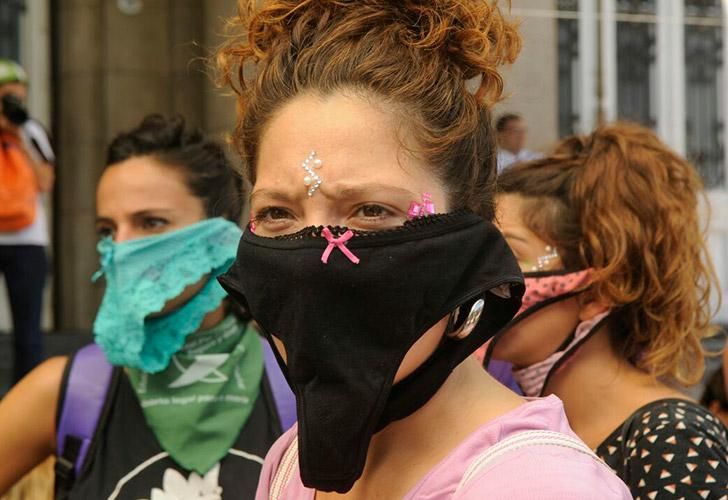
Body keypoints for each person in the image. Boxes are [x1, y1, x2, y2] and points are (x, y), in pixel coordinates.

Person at [217, 1, 631, 498]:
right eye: (278, 214)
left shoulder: (539, 486)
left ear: (467, 239)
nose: (313, 264)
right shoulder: (288, 462)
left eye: (371, 211)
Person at [0, 114, 294, 499]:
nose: (121, 248)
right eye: (107, 230)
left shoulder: (298, 390)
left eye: (151, 223)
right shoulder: (64, 391)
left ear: (219, 235)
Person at [489, 122, 728, 498]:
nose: (482, 275)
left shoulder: (670, 436)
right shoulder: (515, 428)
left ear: (597, 294)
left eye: (509, 255)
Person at [0, 59, 55, 384]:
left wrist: (18, 137)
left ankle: (26, 398)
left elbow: (45, 182)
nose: (13, 104)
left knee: (28, 331)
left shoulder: (30, 130)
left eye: (18, 97)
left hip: (27, 241)